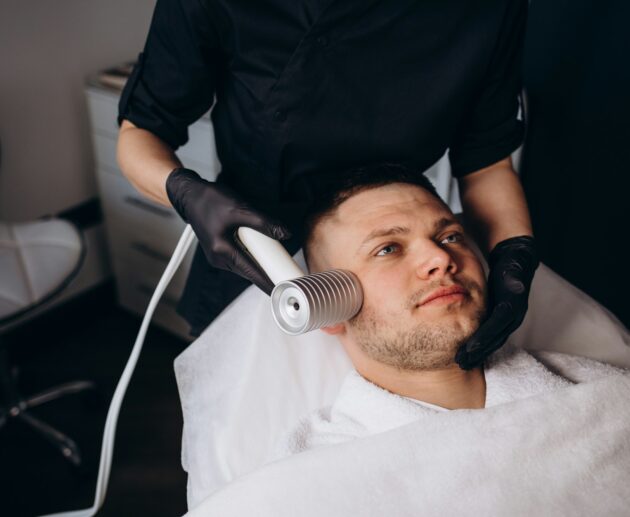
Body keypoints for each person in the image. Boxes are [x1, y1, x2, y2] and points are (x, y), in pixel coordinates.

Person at [117, 0, 537, 369]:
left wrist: (513, 251)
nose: (441, 261)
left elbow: (486, 162)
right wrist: (188, 194)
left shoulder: (489, 7)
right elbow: (141, 134)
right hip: (255, 246)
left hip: (396, 241)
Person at [269, 162, 625, 460]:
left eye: (451, 237)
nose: (440, 259)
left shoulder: (602, 396)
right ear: (325, 305)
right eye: (388, 249)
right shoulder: (310, 475)